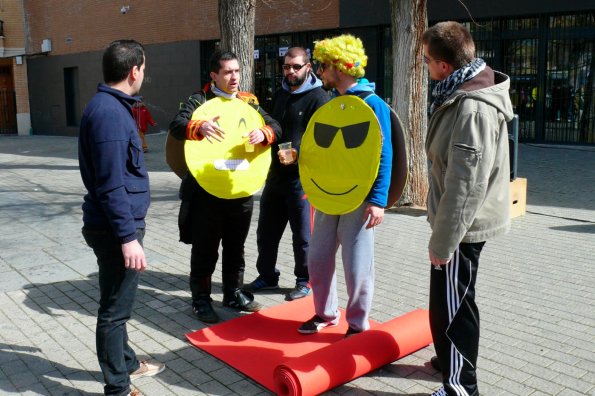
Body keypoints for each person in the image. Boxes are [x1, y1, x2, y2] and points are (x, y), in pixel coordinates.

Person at [422, 21, 513, 396]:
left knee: (453, 309)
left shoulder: (472, 107)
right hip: (457, 223)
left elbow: (466, 185)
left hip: (462, 228)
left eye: (427, 60)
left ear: (445, 65)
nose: (425, 66)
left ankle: (461, 386)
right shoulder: (459, 91)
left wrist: (442, 244)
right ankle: (448, 360)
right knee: (450, 300)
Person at [169, 50, 281, 324]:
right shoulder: (199, 100)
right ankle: (201, 300)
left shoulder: (249, 103)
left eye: (237, 71)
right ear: (214, 75)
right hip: (206, 190)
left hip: (239, 188)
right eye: (228, 72)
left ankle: (233, 293)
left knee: (236, 246)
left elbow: (277, 126)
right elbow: (176, 124)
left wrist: (264, 134)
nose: (234, 77)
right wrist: (200, 126)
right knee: (205, 248)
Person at [79, 40, 165, 396]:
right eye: (144, 68)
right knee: (114, 311)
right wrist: (128, 238)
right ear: (134, 71)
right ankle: (118, 387)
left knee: (118, 302)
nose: (144, 73)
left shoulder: (111, 107)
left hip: (115, 225)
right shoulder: (110, 115)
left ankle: (127, 363)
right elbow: (110, 185)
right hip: (116, 229)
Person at [293, 35, 393, 337]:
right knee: (318, 258)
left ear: (339, 66)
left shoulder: (374, 105)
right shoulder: (333, 104)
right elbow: (324, 152)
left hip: (359, 198)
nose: (319, 72)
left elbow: (384, 154)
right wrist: (312, 181)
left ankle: (358, 324)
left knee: (357, 266)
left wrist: (378, 200)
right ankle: (325, 313)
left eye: (323, 66)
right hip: (327, 198)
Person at [245, 47, 329, 300]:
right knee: (266, 232)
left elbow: (325, 139)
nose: (290, 71)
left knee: (303, 236)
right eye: (286, 66)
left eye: (296, 67)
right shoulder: (281, 93)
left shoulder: (319, 97)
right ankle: (267, 275)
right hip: (275, 175)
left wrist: (299, 154)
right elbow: (274, 125)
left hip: (301, 179)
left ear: (308, 67)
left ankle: (305, 280)